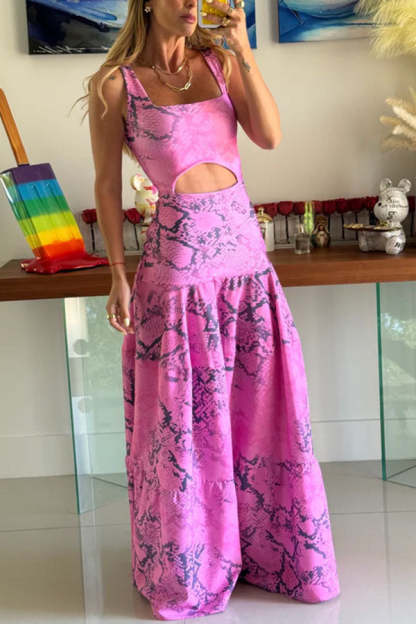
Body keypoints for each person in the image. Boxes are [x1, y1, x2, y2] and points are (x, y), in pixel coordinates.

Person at [85, 0, 341, 619]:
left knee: (262, 411)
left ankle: (273, 555)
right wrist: (116, 275)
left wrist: (245, 51)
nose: (192, 3)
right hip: (177, 273)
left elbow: (269, 136)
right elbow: (107, 187)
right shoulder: (115, 85)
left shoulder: (223, 63)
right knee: (185, 425)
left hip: (246, 266)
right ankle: (194, 567)